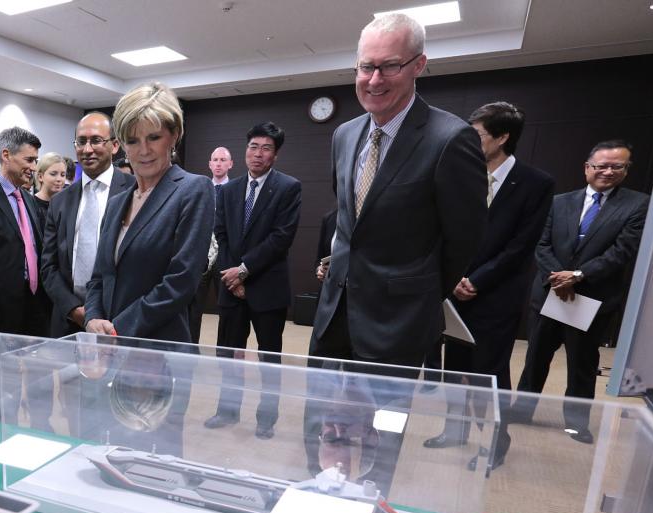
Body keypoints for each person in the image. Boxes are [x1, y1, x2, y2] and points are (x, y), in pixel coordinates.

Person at [310, 13, 487, 367]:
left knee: (382, 421)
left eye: (389, 66)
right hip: (334, 314)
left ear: (418, 65)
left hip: (398, 322)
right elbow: (350, 221)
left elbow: (464, 239)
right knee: (320, 418)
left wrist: (418, 294)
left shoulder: (450, 139)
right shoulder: (343, 135)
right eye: (365, 67)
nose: (374, 80)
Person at [423, 102, 554, 469]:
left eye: (476, 134)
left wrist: (477, 280)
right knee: (455, 366)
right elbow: (443, 230)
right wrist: (452, 278)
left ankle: (497, 441)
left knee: (490, 372)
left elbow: (521, 246)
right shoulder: (461, 174)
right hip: (454, 290)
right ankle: (455, 430)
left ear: (502, 137)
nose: (468, 140)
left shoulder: (535, 183)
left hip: (497, 294)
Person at [511, 140, 648, 443]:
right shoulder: (559, 201)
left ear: (626, 170)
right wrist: (558, 278)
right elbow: (541, 243)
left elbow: (622, 251)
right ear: (587, 168)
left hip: (591, 296)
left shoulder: (637, 205)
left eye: (617, 166)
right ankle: (521, 411)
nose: (608, 171)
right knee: (535, 357)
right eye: (601, 165)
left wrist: (577, 275)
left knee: (582, 363)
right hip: (550, 292)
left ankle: (576, 422)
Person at [84, 82, 214, 343]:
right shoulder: (116, 202)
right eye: (132, 140)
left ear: (174, 135)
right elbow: (100, 276)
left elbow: (180, 282)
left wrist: (117, 328)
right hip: (108, 348)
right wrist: (92, 318)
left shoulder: (193, 190)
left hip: (157, 352)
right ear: (121, 145)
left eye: (153, 137)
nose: (143, 150)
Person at [207, 121, 302, 439]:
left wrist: (244, 271)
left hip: (267, 287)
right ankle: (227, 410)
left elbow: (280, 239)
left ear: (275, 155)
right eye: (253, 147)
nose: (258, 154)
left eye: (266, 148)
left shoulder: (288, 187)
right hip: (231, 286)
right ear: (245, 150)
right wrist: (233, 277)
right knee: (228, 355)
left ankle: (266, 419)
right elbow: (221, 234)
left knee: (269, 358)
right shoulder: (229, 189)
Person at [40, 112, 135, 337]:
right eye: (81, 141)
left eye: (96, 140)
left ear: (114, 145)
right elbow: (49, 266)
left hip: (117, 320)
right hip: (69, 320)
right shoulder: (60, 201)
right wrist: (75, 310)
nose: (87, 149)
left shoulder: (135, 191)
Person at [0, 127, 51, 336]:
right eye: (29, 160)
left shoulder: (29, 200)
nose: (33, 167)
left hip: (34, 307)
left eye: (35, 161)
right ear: (6, 155)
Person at [32, 151, 68, 226]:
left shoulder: (67, 204)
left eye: (63, 175)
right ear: (40, 177)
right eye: (53, 174)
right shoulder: (30, 204)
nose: (59, 179)